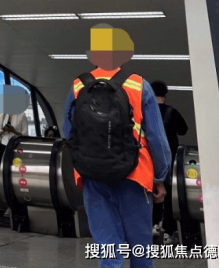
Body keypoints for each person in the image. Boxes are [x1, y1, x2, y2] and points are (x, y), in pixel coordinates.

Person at [63, 24, 171, 267]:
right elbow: (156, 138)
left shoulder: (78, 86)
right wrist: (159, 178)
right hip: (134, 176)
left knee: (109, 251)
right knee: (140, 251)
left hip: (93, 177)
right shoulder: (139, 85)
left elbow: (69, 133)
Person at [150, 80, 189, 244]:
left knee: (151, 192)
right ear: (165, 95)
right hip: (169, 159)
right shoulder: (172, 112)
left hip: (149, 161)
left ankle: (153, 225)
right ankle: (168, 232)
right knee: (168, 195)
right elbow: (183, 130)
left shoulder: (146, 113)